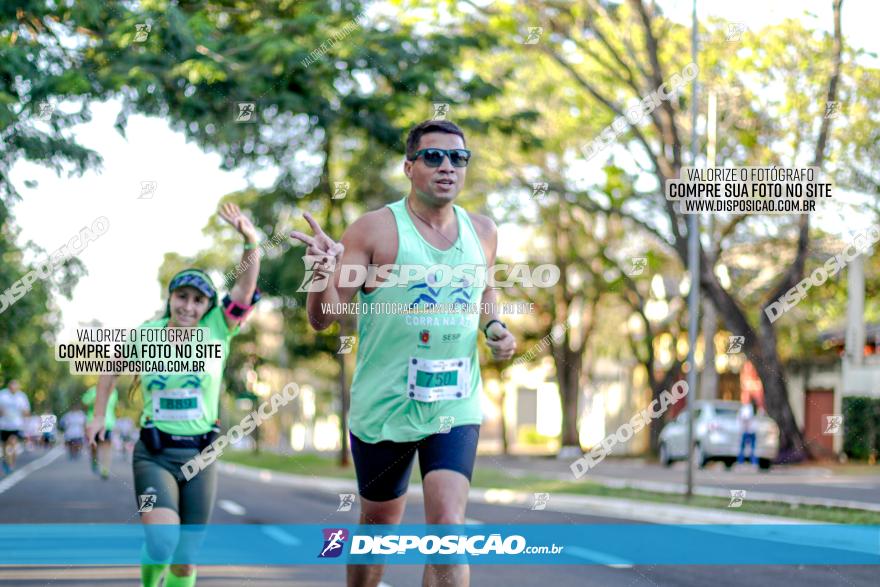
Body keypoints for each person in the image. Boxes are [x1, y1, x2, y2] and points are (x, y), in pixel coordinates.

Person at [292, 119, 516, 587]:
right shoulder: (374, 231)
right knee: (378, 529)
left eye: (459, 158)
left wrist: (495, 325)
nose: (448, 167)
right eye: (433, 157)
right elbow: (326, 315)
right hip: (384, 405)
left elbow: (485, 290)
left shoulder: (484, 231)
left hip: (453, 405)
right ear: (409, 166)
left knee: (448, 531)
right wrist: (319, 273)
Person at [86, 203, 260, 587]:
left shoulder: (217, 328)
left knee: (184, 561)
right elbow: (109, 369)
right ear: (171, 298)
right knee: (163, 542)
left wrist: (251, 242)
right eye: (182, 297)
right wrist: (98, 416)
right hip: (155, 454)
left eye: (198, 300)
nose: (189, 306)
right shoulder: (147, 333)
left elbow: (244, 291)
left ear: (207, 307)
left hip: (201, 454)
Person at [82, 384, 118, 479]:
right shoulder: (92, 390)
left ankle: (105, 469)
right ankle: (94, 461)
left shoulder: (113, 391)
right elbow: (85, 402)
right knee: (93, 446)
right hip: (93, 422)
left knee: (106, 446)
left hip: (108, 423)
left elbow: (112, 405)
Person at [0, 380, 31, 474]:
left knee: (13, 443)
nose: (13, 388)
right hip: (4, 425)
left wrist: (25, 416)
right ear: (9, 386)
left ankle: (11, 463)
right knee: (5, 446)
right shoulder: (2, 395)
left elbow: (26, 411)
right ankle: (6, 461)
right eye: (12, 386)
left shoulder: (21, 397)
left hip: (16, 425)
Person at [737, 398, 759, 466]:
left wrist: (745, 427)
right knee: (752, 448)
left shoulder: (748, 409)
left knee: (744, 448)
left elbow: (744, 418)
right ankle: (752, 462)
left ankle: (742, 462)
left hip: (748, 431)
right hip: (751, 431)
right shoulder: (752, 409)